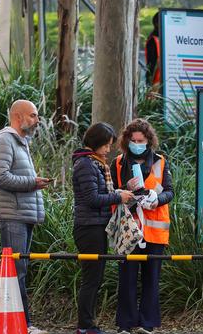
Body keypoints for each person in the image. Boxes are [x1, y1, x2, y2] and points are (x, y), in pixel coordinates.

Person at [0, 99, 50, 334]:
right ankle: (21, 324)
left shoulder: (21, 142)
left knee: (20, 269)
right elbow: (0, 177)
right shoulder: (4, 140)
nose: (37, 120)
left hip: (22, 213)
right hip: (11, 214)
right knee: (16, 270)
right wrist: (32, 183)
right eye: (33, 115)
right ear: (19, 116)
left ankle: (20, 322)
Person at [111, 118, 174, 334]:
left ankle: (147, 323)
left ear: (148, 141)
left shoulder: (160, 161)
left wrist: (157, 199)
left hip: (154, 230)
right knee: (126, 278)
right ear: (127, 140)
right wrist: (123, 190)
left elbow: (169, 191)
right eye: (133, 140)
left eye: (141, 140)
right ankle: (125, 324)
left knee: (151, 279)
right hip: (128, 229)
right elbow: (112, 192)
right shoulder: (118, 163)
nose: (137, 143)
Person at [72, 122, 135, 334]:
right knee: (91, 279)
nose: (109, 150)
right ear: (96, 143)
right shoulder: (86, 165)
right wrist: (118, 196)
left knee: (95, 278)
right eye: (106, 145)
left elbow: (99, 192)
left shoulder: (96, 164)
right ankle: (85, 325)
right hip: (88, 227)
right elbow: (92, 198)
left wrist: (123, 191)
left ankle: (88, 323)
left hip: (96, 226)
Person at [145, 12, 161, 93]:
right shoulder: (153, 41)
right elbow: (151, 65)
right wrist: (149, 86)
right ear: (157, 24)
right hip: (156, 85)